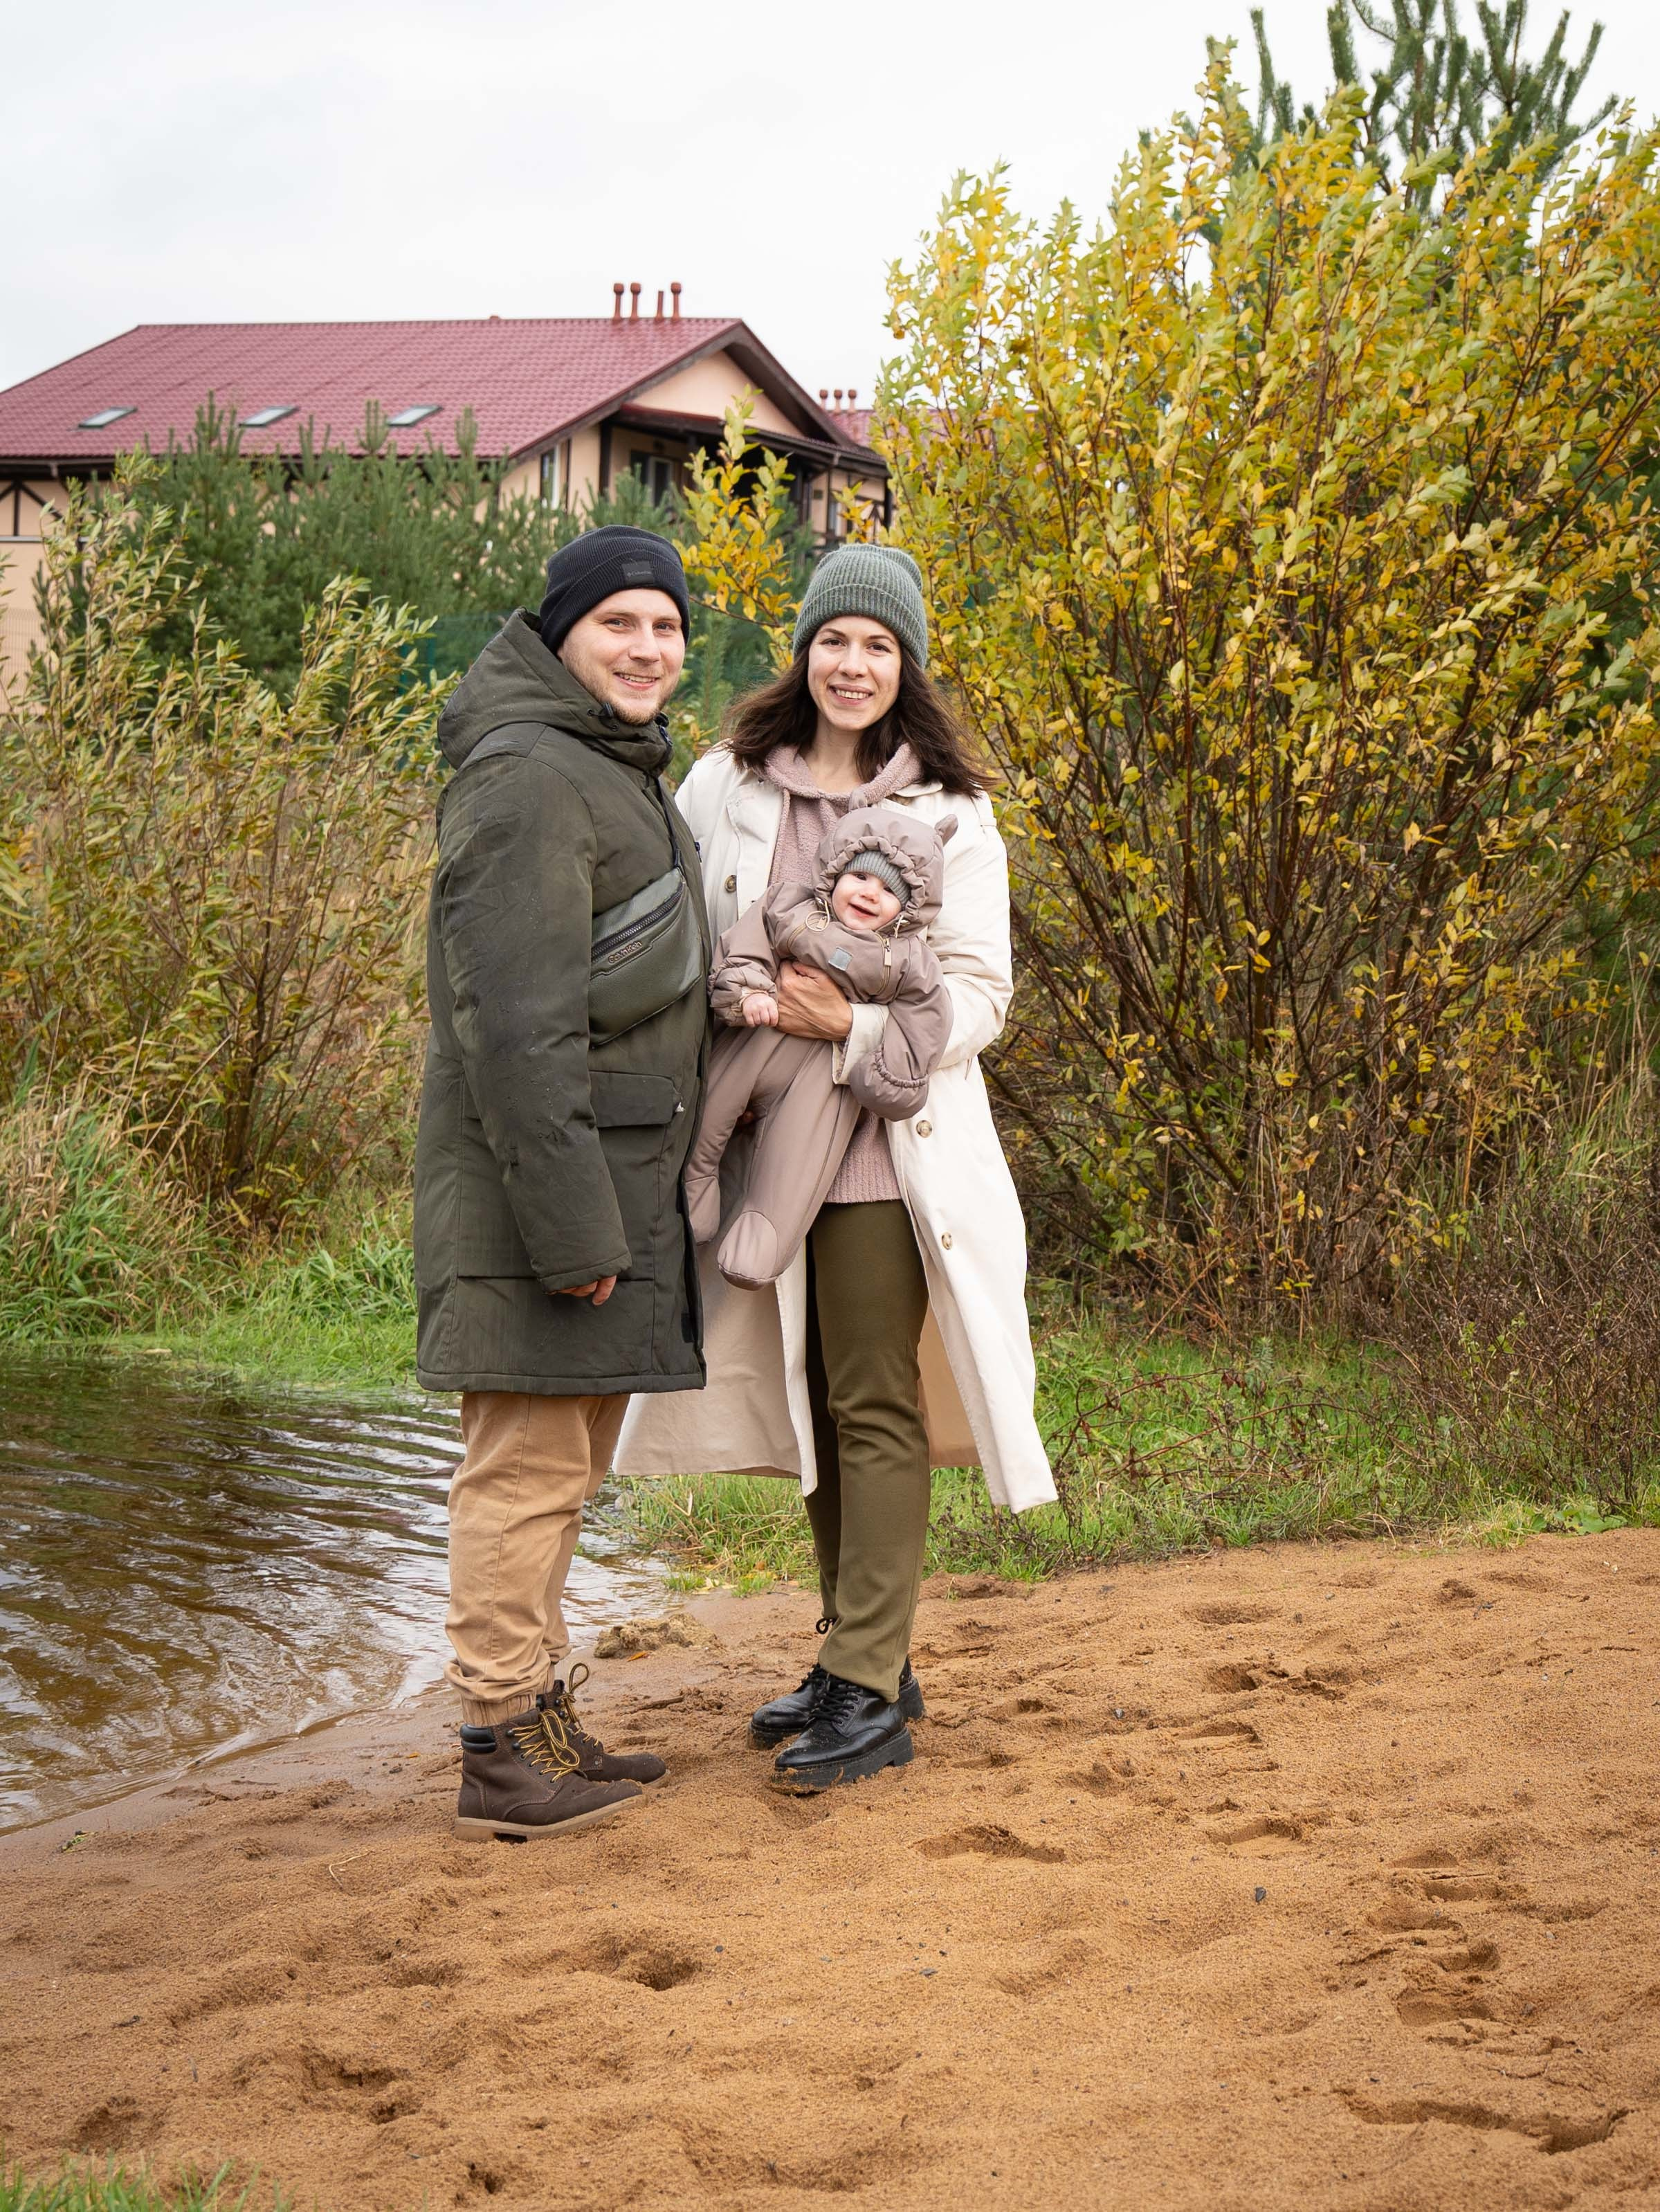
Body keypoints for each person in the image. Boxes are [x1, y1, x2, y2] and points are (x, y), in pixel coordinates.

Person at [617, 543, 1056, 1791]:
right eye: (833, 640)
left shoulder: (954, 812)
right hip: (765, 1142)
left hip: (887, 1151)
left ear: (904, 663)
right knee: (808, 1398)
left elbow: (978, 995)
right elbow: (679, 935)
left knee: (870, 1398)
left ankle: (866, 1687)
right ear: (802, 650)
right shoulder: (726, 782)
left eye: (877, 645)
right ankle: (857, 1653)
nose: (852, 664)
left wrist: (850, 1028)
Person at [414, 526, 711, 1843]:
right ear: (559, 634)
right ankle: (495, 1749)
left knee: (562, 1471)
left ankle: (534, 1716)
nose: (647, 650)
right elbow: (514, 1031)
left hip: (601, 1190)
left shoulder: (603, 762)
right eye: (618, 624)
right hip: (541, 1201)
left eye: (666, 627)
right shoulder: (528, 776)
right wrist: (574, 1232)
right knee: (522, 1472)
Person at [687, 804, 955, 1289]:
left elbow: (925, 1022)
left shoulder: (909, 962)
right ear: (834, 871)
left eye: (889, 890)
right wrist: (746, 989)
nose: (869, 893)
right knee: (705, 1118)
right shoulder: (791, 905)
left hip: (824, 1076)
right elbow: (746, 941)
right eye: (860, 877)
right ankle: (691, 1196)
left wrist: (889, 1074)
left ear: (910, 906)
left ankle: (762, 1242)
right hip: (755, 1037)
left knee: (796, 1161)